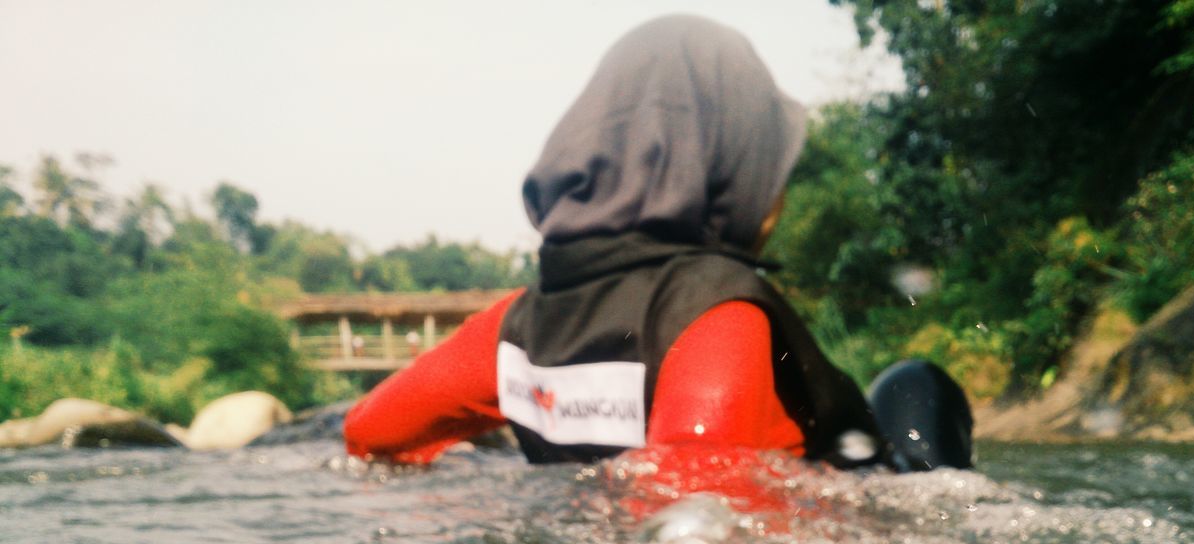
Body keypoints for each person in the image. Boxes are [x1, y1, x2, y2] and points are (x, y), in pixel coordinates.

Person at [343, 15, 972, 472]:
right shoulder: (716, 316)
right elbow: (693, 517)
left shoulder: (514, 327)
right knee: (917, 384)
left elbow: (370, 432)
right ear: (732, 173)